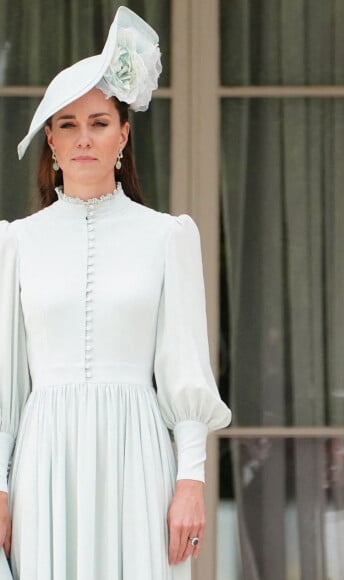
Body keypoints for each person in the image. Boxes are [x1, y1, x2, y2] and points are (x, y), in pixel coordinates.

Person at [0, 7, 231, 579]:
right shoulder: (16, 243)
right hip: (44, 465)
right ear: (49, 140)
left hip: (139, 463)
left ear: (124, 135)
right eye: (68, 124)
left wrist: (191, 481)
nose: (84, 138)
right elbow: (4, 385)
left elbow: (186, 371)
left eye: (99, 122)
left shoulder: (167, 236)